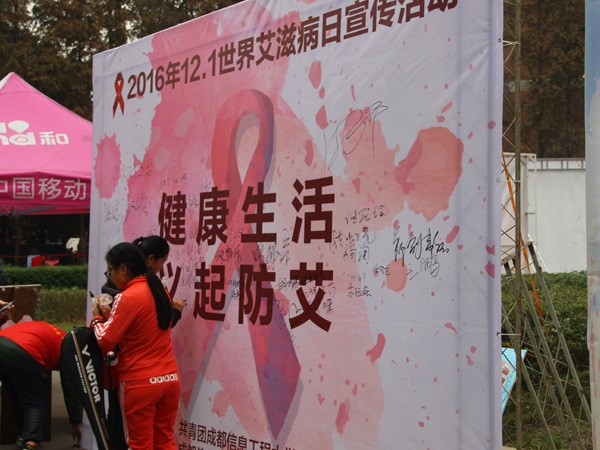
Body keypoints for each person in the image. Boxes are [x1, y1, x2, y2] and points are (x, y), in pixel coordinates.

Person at [90, 242, 180, 450]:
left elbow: (105, 340)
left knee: (140, 445)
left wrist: (97, 319)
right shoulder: (159, 290)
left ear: (123, 268)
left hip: (139, 382)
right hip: (169, 378)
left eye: (110, 271)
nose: (110, 277)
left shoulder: (127, 297)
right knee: (165, 441)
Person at [0, 320, 83, 450]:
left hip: (3, 342)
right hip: (26, 350)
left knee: (16, 397)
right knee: (34, 402)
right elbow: (70, 388)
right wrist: (76, 422)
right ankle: (31, 442)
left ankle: (22, 436)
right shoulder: (69, 349)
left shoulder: (58, 335)